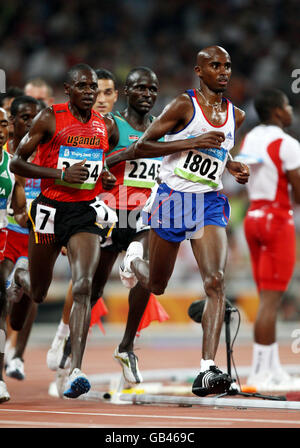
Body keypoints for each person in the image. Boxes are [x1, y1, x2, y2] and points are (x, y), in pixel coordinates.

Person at [106, 46, 250, 397]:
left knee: (215, 282)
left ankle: (206, 369)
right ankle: (133, 261)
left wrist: (231, 164)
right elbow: (141, 146)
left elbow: (221, 147)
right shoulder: (183, 105)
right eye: (215, 65)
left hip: (209, 201)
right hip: (173, 199)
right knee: (156, 285)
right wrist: (192, 140)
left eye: (227, 65)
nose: (223, 71)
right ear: (199, 71)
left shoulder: (237, 114)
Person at [48, 66, 162, 388]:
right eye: (140, 88)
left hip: (141, 216)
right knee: (92, 290)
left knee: (146, 277)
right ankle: (70, 350)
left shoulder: (159, 128)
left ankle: (126, 346)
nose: (147, 95)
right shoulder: (112, 126)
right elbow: (94, 161)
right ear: (127, 92)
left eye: (152, 90)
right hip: (110, 215)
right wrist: (127, 154)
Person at [10, 63, 117, 399]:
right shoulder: (49, 117)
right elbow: (17, 162)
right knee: (39, 293)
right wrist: (58, 174)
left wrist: (104, 177)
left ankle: (75, 370)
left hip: (84, 212)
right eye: (82, 86)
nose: (89, 92)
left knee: (84, 286)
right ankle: (21, 277)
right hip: (48, 209)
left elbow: (97, 165)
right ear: (68, 89)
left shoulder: (105, 126)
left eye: (93, 88)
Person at [46, 67, 119, 374]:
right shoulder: (70, 121)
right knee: (81, 282)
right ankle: (64, 337)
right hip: (76, 206)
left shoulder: (118, 127)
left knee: (94, 287)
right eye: (94, 91)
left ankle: (122, 351)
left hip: (120, 209)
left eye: (106, 92)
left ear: (116, 97)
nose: (99, 98)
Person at [237, 88, 300, 389]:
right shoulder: (288, 144)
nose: (291, 111)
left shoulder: (250, 138)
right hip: (276, 220)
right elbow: (299, 195)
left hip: (252, 218)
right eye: (288, 106)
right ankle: (260, 372)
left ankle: (273, 367)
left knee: (267, 299)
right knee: (271, 301)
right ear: (277, 111)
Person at [3, 96, 42, 381]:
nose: (32, 123)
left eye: (36, 118)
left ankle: (16, 355)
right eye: (26, 118)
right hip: (7, 233)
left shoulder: (44, 152)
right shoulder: (4, 152)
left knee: (33, 294)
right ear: (12, 123)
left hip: (34, 235)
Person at [0, 107, 27, 402]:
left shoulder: (12, 165)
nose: (0, 129)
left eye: (3, 124)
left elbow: (20, 211)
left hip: (2, 243)